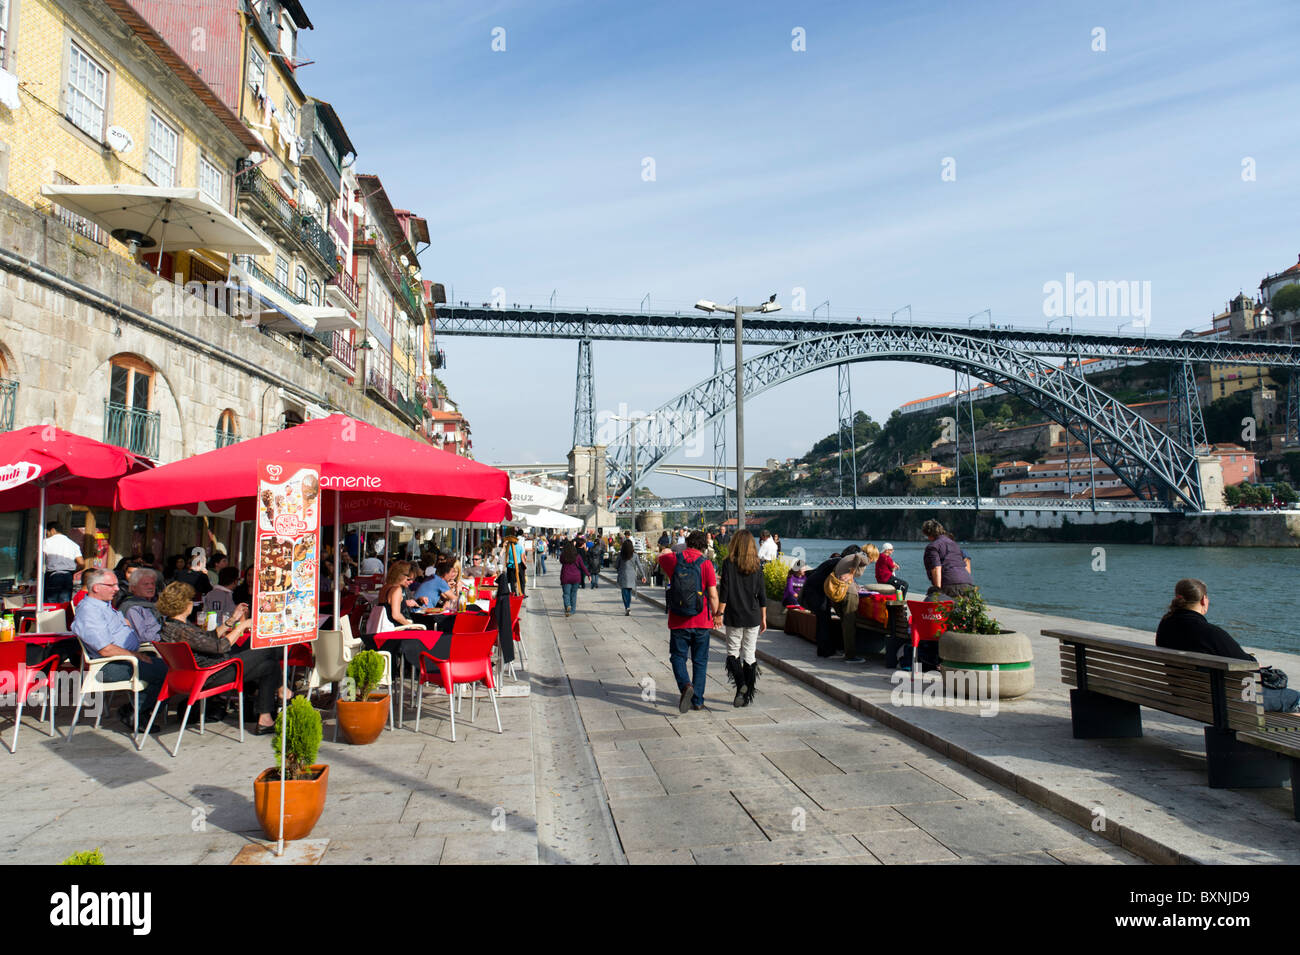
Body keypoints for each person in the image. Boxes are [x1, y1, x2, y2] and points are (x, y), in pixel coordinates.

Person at [154, 581, 286, 734]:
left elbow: (207, 638)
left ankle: (265, 719)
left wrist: (232, 620)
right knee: (268, 649)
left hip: (196, 675)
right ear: (186, 604)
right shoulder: (182, 631)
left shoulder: (170, 626)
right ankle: (282, 688)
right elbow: (220, 646)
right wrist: (243, 626)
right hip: (211, 674)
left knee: (270, 666)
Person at [1156, 578, 1300, 712]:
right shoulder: (1209, 632)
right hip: (1220, 698)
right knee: (1295, 699)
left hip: (1183, 692)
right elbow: (1247, 665)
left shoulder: (1165, 625)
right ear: (1204, 600)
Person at [71, 568, 168, 733]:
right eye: (112, 585)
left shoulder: (103, 605)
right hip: (108, 666)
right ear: (96, 588)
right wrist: (135, 655)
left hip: (124, 658)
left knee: (173, 666)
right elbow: (105, 649)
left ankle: (140, 711)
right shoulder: (90, 611)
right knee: (169, 671)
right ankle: (135, 711)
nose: (117, 589)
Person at [658, 530, 719, 713]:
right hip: (702, 620)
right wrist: (716, 615)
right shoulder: (706, 564)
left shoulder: (675, 559)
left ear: (687, 543)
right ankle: (698, 700)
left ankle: (685, 686)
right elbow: (713, 594)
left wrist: (675, 550)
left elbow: (661, 555)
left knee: (678, 657)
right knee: (700, 661)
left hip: (678, 619)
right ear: (704, 547)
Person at [718, 530, 766, 707]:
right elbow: (762, 594)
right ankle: (747, 696)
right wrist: (764, 617)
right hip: (753, 616)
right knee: (749, 654)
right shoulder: (757, 564)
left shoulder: (728, 564)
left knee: (732, 652)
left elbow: (725, 591)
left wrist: (719, 613)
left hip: (734, 615)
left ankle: (741, 685)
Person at [799, 545, 862, 658]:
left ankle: (824, 650)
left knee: (822, 620)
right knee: (824, 621)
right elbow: (842, 580)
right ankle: (825, 652)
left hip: (812, 591)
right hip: (817, 593)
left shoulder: (835, 560)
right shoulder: (840, 563)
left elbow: (813, 572)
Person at [921, 519, 974, 600]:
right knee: (964, 611)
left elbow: (936, 568)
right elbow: (966, 560)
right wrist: (966, 578)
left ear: (929, 534)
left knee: (946, 610)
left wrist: (937, 591)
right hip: (967, 583)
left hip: (950, 584)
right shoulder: (954, 544)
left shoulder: (932, 547)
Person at [118, 568, 164, 645]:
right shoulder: (133, 607)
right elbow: (143, 637)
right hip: (148, 650)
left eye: (152, 584)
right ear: (133, 587)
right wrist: (165, 636)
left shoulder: (154, 604)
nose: (151, 587)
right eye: (146, 584)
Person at [42, 522, 84, 603]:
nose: (46, 534)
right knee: (65, 603)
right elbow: (82, 564)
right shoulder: (73, 544)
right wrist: (72, 571)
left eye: (47, 532)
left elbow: (39, 559)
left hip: (53, 575)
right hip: (68, 576)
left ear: (53, 530)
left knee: (51, 603)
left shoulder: (46, 542)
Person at [614, 538, 647, 616]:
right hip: (632, 575)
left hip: (623, 574)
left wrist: (618, 568)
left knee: (624, 592)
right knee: (629, 591)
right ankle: (628, 606)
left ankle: (627, 607)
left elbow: (616, 565)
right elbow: (639, 566)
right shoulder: (635, 555)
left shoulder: (620, 555)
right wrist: (643, 575)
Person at [559, 541, 587, 616]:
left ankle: (568, 605)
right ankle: (572, 610)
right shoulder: (577, 556)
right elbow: (582, 566)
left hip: (566, 576)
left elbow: (561, 561)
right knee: (573, 594)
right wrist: (588, 574)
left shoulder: (563, 555)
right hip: (576, 577)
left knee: (566, 594)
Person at [501, 531, 527, 596]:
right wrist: (525, 565)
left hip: (510, 566)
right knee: (521, 580)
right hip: (519, 565)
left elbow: (505, 555)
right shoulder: (520, 547)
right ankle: (522, 593)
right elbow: (522, 558)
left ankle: (514, 594)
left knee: (512, 581)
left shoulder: (508, 547)